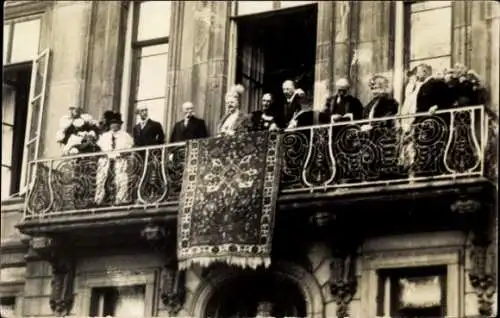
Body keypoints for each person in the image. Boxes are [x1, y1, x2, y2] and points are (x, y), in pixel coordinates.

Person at [95, 112, 134, 206]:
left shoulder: (126, 136)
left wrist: (122, 154)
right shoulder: (105, 136)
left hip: (119, 161)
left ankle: (120, 199)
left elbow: (130, 150)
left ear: (120, 124)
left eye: (116, 123)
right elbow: (99, 149)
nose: (113, 125)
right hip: (106, 162)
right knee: (101, 180)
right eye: (112, 123)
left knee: (121, 179)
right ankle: (100, 199)